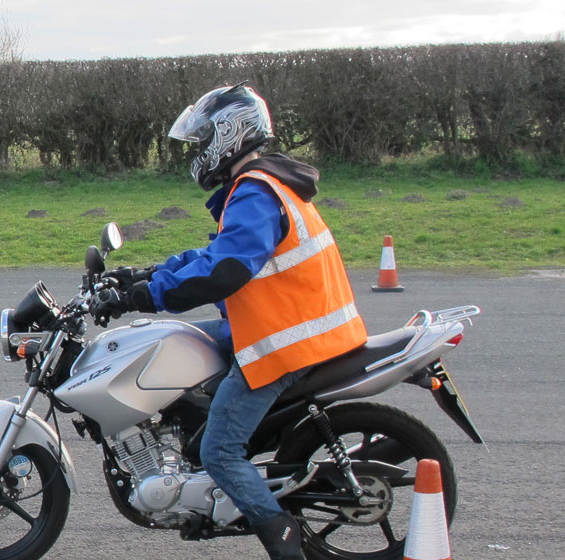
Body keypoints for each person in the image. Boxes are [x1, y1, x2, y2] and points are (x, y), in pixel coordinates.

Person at [92, 83, 366, 560]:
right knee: (186, 340)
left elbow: (226, 271)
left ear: (230, 134)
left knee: (220, 450)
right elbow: (212, 254)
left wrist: (147, 295)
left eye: (203, 140)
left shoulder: (256, 193)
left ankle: (284, 544)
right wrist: (145, 274)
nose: (197, 152)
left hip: (286, 340)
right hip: (290, 324)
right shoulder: (260, 184)